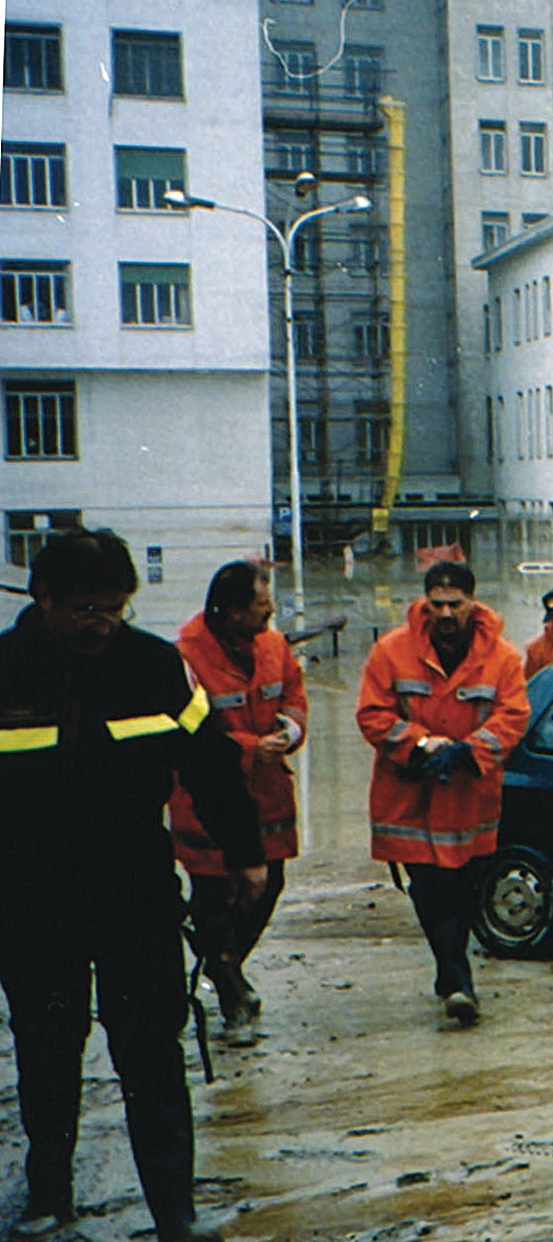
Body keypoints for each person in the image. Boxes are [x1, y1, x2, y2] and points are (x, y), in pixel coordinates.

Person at [0, 530, 264, 1242]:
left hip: (135, 896)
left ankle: (173, 1211)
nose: (102, 624)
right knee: (47, 1049)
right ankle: (49, 1195)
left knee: (152, 1052)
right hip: (31, 902)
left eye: (114, 608)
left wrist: (247, 853)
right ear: (44, 598)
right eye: (86, 608)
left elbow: (211, 762)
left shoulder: (154, 667)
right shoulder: (4, 671)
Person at [354, 561, 528, 1027]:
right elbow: (372, 714)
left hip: (469, 795)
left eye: (456, 604)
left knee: (465, 887)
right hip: (408, 795)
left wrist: (468, 752)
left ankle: (449, 969)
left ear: (474, 603)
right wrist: (418, 745)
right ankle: (456, 979)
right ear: (425, 603)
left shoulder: (504, 658)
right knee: (429, 890)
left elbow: (513, 716)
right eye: (438, 604)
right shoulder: (391, 651)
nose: (447, 613)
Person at [167, 562, 306, 1048]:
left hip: (268, 792)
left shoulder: (273, 645)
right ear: (231, 612)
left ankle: (224, 963)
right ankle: (230, 992)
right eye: (261, 606)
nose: (269, 613)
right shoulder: (186, 658)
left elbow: (293, 694)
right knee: (212, 895)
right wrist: (250, 746)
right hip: (205, 797)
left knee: (271, 883)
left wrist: (290, 731)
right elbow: (194, 735)